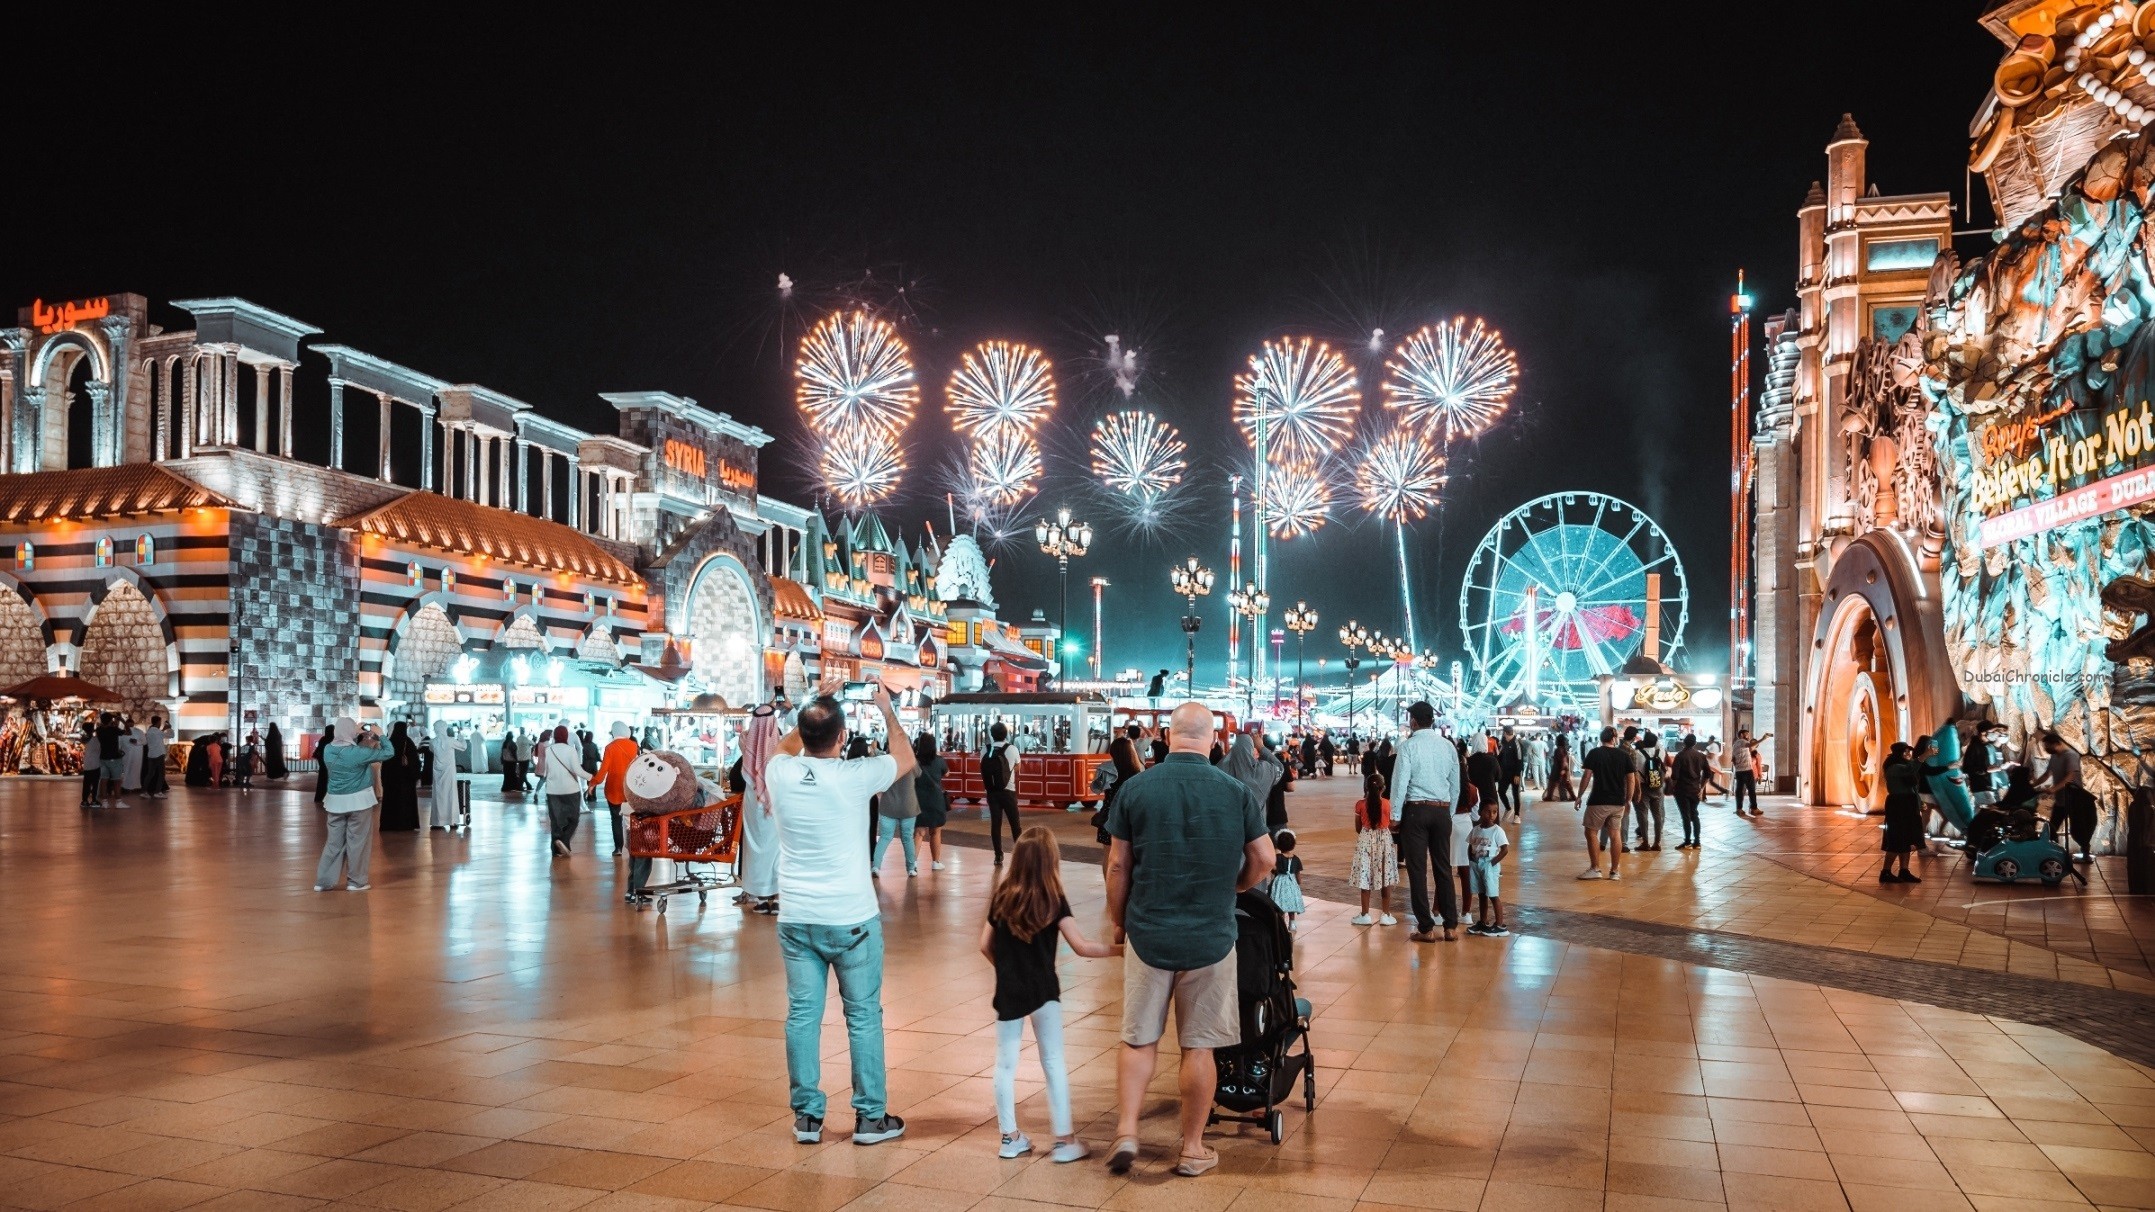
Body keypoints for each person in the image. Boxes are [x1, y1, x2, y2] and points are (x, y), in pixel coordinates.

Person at [1104, 701, 1274, 1178]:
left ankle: (1126, 1131)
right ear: (1213, 738)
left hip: (1148, 930)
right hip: (1211, 936)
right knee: (1198, 1046)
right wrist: (1236, 886)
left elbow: (1118, 866)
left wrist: (1120, 921)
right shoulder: (1235, 791)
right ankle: (1193, 1148)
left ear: (1169, 735)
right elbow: (1264, 858)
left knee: (1138, 1039)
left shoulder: (1135, 789)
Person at [768, 675, 914, 1147]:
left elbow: (784, 747)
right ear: (842, 737)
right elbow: (906, 758)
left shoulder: (781, 772)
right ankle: (870, 1118)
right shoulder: (855, 776)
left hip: (796, 918)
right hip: (851, 918)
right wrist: (886, 709)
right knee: (863, 1016)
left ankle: (808, 1118)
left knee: (802, 1016)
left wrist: (815, 701)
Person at [980, 825, 1119, 1163]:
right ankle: (1063, 1141)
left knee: (1005, 1064)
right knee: (1053, 1061)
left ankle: (1009, 1137)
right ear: (1050, 861)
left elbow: (984, 945)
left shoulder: (1001, 898)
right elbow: (1082, 947)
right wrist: (1121, 950)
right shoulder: (1053, 899)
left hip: (1009, 990)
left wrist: (1006, 968)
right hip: (1044, 990)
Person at [1390, 702, 1463, 943]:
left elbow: (1400, 782)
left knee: (1417, 871)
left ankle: (1426, 928)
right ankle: (1451, 926)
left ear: (1413, 721)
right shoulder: (1448, 746)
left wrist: (1396, 816)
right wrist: (1449, 812)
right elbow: (1455, 783)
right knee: (1444, 869)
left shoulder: (1408, 746)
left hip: (1416, 812)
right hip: (1441, 811)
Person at [315, 719, 393, 891]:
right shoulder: (358, 753)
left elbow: (342, 744)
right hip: (359, 801)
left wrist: (354, 732)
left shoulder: (328, 750)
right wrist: (380, 735)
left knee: (333, 843)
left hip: (335, 801)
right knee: (357, 842)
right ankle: (356, 881)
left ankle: (323, 881)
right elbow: (389, 752)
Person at [734, 708, 781, 912]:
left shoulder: (746, 740)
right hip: (776, 799)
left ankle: (761, 899)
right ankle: (778, 896)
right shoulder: (780, 744)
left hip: (753, 799)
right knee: (778, 850)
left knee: (755, 849)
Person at [1574, 726, 1636, 880]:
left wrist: (1579, 795)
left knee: (1591, 832)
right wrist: (1628, 799)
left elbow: (1587, 776)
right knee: (1615, 834)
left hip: (1598, 800)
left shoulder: (1595, 753)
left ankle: (1595, 868)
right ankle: (1614, 871)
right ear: (1614, 738)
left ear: (1601, 738)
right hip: (1618, 801)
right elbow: (1631, 779)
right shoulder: (1624, 755)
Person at [2032, 731, 2096, 860]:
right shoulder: (2055, 757)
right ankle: (2049, 852)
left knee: (2078, 828)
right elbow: (2046, 774)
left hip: (2073, 798)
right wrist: (2032, 785)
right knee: (2052, 826)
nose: (2046, 749)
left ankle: (2085, 852)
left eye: (2047, 746)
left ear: (2056, 743)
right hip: (2061, 799)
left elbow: (2070, 776)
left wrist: (2054, 788)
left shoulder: (2071, 755)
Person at [1350, 770, 1398, 926]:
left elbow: (1358, 827)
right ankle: (1386, 914)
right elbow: (1391, 824)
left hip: (1366, 840)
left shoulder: (1360, 804)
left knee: (1365, 876)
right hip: (1384, 840)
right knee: (1386, 875)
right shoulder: (1387, 804)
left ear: (1367, 788)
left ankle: (1365, 914)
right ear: (1383, 788)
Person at [871, 740, 921, 877]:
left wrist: (876, 751)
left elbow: (876, 759)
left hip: (888, 806)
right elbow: (918, 773)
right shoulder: (911, 761)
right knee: (907, 838)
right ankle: (911, 868)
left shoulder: (886, 762)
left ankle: (876, 866)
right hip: (908, 806)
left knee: (885, 837)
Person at [590, 721, 639, 858]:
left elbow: (604, 769)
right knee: (632, 818)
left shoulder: (610, 747)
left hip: (613, 788)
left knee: (616, 819)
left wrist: (594, 783)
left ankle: (618, 848)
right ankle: (634, 846)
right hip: (630, 786)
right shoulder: (633, 746)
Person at [540, 724, 590, 857]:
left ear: (554, 736)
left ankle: (557, 850)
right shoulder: (570, 750)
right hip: (571, 790)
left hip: (552, 791)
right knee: (574, 819)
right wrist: (592, 778)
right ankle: (563, 841)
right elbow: (577, 770)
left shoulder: (548, 750)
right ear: (566, 736)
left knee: (556, 821)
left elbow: (546, 771)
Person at [1666, 734, 1722, 849]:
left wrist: (1672, 787)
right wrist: (1701, 787)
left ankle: (1687, 841)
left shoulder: (1680, 756)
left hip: (1682, 790)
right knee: (1694, 814)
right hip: (1695, 789)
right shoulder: (1700, 756)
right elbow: (1707, 774)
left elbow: (1675, 776)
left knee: (1685, 816)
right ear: (1695, 743)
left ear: (1684, 743)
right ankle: (1697, 842)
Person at [1879, 741, 1925, 883]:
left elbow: (1912, 787)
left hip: (1909, 804)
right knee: (1896, 839)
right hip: (1898, 805)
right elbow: (1910, 770)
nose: (1908, 754)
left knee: (1907, 839)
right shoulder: (1894, 767)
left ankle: (1904, 870)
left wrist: (1919, 803)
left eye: (1909, 751)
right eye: (1904, 752)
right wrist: (1925, 755)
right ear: (1897, 753)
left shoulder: (1904, 766)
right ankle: (1885, 872)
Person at [1465, 798, 1510, 936]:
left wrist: (1492, 862)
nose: (1491, 815)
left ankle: (1500, 925)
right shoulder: (1476, 830)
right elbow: (1470, 844)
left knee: (1493, 894)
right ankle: (1482, 922)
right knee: (1482, 894)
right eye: (1487, 812)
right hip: (1476, 864)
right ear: (1480, 812)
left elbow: (1505, 849)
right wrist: (1470, 858)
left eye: (1495, 812)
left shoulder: (1497, 831)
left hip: (1489, 864)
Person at [982, 722, 1023, 865]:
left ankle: (998, 855)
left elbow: (983, 767)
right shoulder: (1012, 749)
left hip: (992, 792)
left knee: (996, 824)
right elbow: (1018, 766)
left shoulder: (986, 749)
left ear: (992, 735)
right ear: (1006, 734)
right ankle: (1019, 854)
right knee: (1015, 824)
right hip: (1008, 791)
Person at [913, 733, 949, 873]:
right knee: (935, 831)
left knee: (919, 832)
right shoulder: (939, 760)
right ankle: (935, 862)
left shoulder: (915, 761)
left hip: (919, 799)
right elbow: (946, 773)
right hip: (936, 800)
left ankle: (913, 864)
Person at [378, 721, 421, 830]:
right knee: (406, 801)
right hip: (406, 780)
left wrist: (384, 779)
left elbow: (385, 763)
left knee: (391, 802)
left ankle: (390, 824)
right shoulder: (409, 743)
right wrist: (415, 776)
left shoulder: (390, 743)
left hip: (391, 780)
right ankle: (407, 824)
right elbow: (415, 762)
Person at [428, 719, 467, 830]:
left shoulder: (432, 742)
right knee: (450, 794)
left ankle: (438, 821)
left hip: (437, 772)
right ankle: (452, 820)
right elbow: (463, 747)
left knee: (438, 795)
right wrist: (460, 735)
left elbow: (432, 750)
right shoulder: (450, 741)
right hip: (449, 772)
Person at [1633, 731, 1666, 851]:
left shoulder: (1637, 754)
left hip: (1642, 787)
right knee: (1657, 815)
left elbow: (1635, 773)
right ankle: (1657, 843)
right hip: (1657, 786)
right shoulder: (1660, 752)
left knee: (1642, 814)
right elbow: (1660, 746)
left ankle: (1645, 842)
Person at [1269, 829, 1305, 931]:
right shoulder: (1296, 859)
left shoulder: (1277, 857)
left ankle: (1281, 922)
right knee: (1291, 902)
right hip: (1291, 882)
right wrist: (1298, 882)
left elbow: (1273, 869)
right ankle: (1292, 922)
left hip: (1279, 882)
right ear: (1293, 844)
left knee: (1279, 901)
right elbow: (1298, 874)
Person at [1730, 729, 1768, 816]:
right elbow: (1750, 744)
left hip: (1739, 771)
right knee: (1751, 790)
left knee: (1739, 791)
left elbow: (1733, 759)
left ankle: (1739, 809)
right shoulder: (1742, 741)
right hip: (1747, 770)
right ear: (1741, 735)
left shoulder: (1735, 744)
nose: (1748, 736)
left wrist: (1738, 765)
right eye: (1747, 734)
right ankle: (1754, 809)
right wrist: (1763, 738)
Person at [94, 713, 125, 808]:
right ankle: (118, 801)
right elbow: (128, 732)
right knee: (116, 780)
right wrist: (123, 722)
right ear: (110, 720)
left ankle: (104, 802)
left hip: (103, 757)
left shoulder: (99, 730)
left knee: (103, 780)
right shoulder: (113, 729)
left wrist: (114, 723)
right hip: (114, 757)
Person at [1496, 726, 1525, 819]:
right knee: (1501, 791)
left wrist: (1517, 774)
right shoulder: (1503, 743)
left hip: (1514, 774)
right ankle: (1508, 808)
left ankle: (1517, 815)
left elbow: (1520, 760)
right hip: (1504, 773)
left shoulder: (1517, 743)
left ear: (1505, 733)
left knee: (1515, 793)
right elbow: (1499, 757)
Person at [141, 717, 168, 798]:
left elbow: (159, 735)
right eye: (160, 722)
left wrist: (164, 729)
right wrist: (168, 728)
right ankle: (158, 792)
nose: (160, 724)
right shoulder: (157, 732)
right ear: (158, 722)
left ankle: (144, 791)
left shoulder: (149, 731)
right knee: (161, 774)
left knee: (150, 774)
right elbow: (171, 735)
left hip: (151, 755)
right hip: (159, 755)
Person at [79, 719, 103, 807]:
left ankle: (84, 800)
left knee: (86, 783)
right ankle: (94, 800)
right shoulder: (96, 739)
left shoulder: (85, 739)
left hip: (88, 764)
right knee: (95, 783)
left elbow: (84, 739)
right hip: (96, 764)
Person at [1546, 733, 1576, 801]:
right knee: (1565, 784)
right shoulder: (1563, 749)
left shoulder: (1558, 749)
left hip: (1558, 769)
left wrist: (1562, 769)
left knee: (1553, 783)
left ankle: (1550, 796)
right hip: (1562, 769)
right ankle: (1571, 796)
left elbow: (1563, 760)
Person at [120, 720, 145, 795]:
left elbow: (144, 741)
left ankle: (135, 786)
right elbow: (119, 743)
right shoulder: (122, 733)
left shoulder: (139, 731)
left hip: (137, 754)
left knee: (135, 770)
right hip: (126, 755)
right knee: (126, 770)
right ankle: (125, 787)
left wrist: (136, 742)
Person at [499, 728, 523, 797]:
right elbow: (514, 753)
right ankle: (513, 786)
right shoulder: (512, 743)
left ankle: (506, 787)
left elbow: (502, 753)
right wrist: (516, 759)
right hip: (511, 761)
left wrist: (502, 760)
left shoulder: (504, 743)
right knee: (512, 774)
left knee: (506, 775)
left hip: (505, 761)